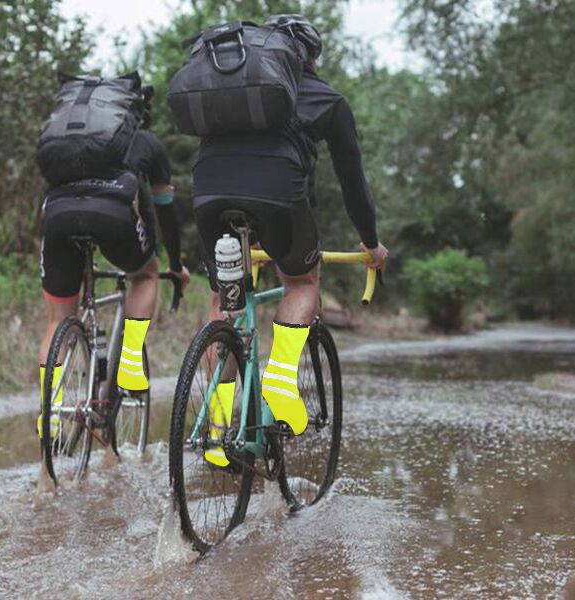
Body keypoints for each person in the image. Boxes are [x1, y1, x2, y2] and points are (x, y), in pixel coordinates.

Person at [191, 14, 388, 463]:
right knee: (301, 280)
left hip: (208, 192)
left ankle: (220, 427)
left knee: (225, 299)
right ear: (311, 57)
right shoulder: (326, 97)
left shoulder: (229, 91)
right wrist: (370, 242)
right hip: (277, 194)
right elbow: (352, 180)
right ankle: (281, 379)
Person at [37, 83, 190, 438]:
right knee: (145, 275)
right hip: (114, 218)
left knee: (57, 320)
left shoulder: (65, 140)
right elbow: (165, 212)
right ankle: (131, 359)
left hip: (59, 217)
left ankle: (49, 415)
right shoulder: (147, 142)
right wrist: (174, 262)